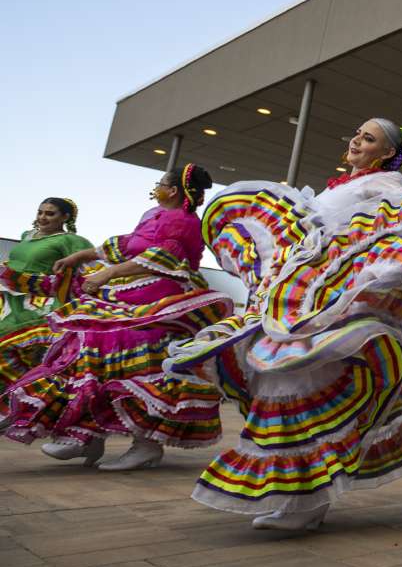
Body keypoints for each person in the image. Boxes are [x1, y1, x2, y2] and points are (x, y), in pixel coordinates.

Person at [164, 118, 402, 531]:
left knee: (299, 389)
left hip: (335, 313)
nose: (356, 139)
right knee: (276, 385)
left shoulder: (389, 188)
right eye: (356, 133)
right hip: (299, 310)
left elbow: (397, 241)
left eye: (368, 138)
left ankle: (308, 503)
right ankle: (297, 497)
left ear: (387, 153)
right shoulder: (335, 188)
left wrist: (369, 295)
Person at [2, 166, 232, 470]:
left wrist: (108, 273)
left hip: (160, 298)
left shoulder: (183, 221)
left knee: (134, 359)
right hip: (130, 293)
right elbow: (126, 245)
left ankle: (146, 444)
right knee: (87, 350)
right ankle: (86, 434)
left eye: (160, 184)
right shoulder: (155, 215)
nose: (156, 189)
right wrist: (81, 257)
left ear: (174, 190)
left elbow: (160, 259)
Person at [0, 199, 93, 402]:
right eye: (40, 212)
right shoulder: (27, 235)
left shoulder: (71, 241)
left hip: (39, 305)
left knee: (7, 345)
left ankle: (23, 397)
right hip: (9, 300)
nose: (42, 217)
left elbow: (89, 271)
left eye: (50, 214)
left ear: (65, 217)